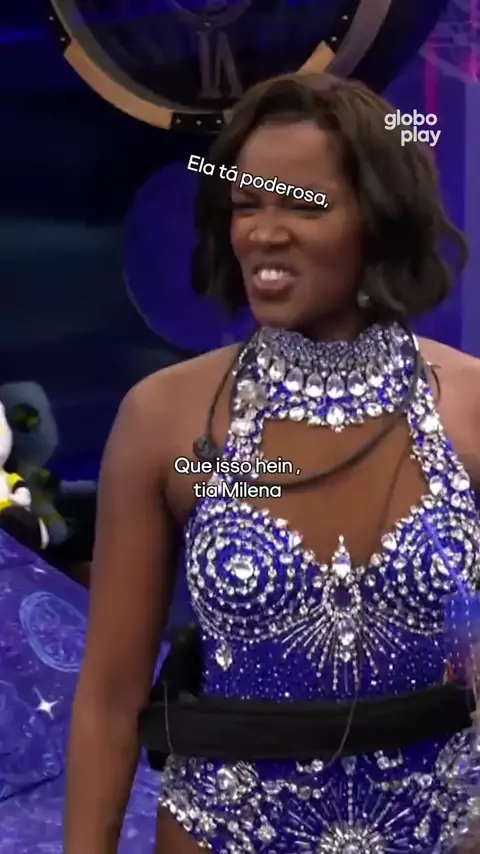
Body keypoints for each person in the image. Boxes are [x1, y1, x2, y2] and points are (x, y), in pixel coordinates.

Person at [64, 71, 480, 854]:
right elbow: (111, 700)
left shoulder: (470, 404)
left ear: (379, 218)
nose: (263, 233)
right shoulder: (163, 420)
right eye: (247, 204)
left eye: (303, 205)